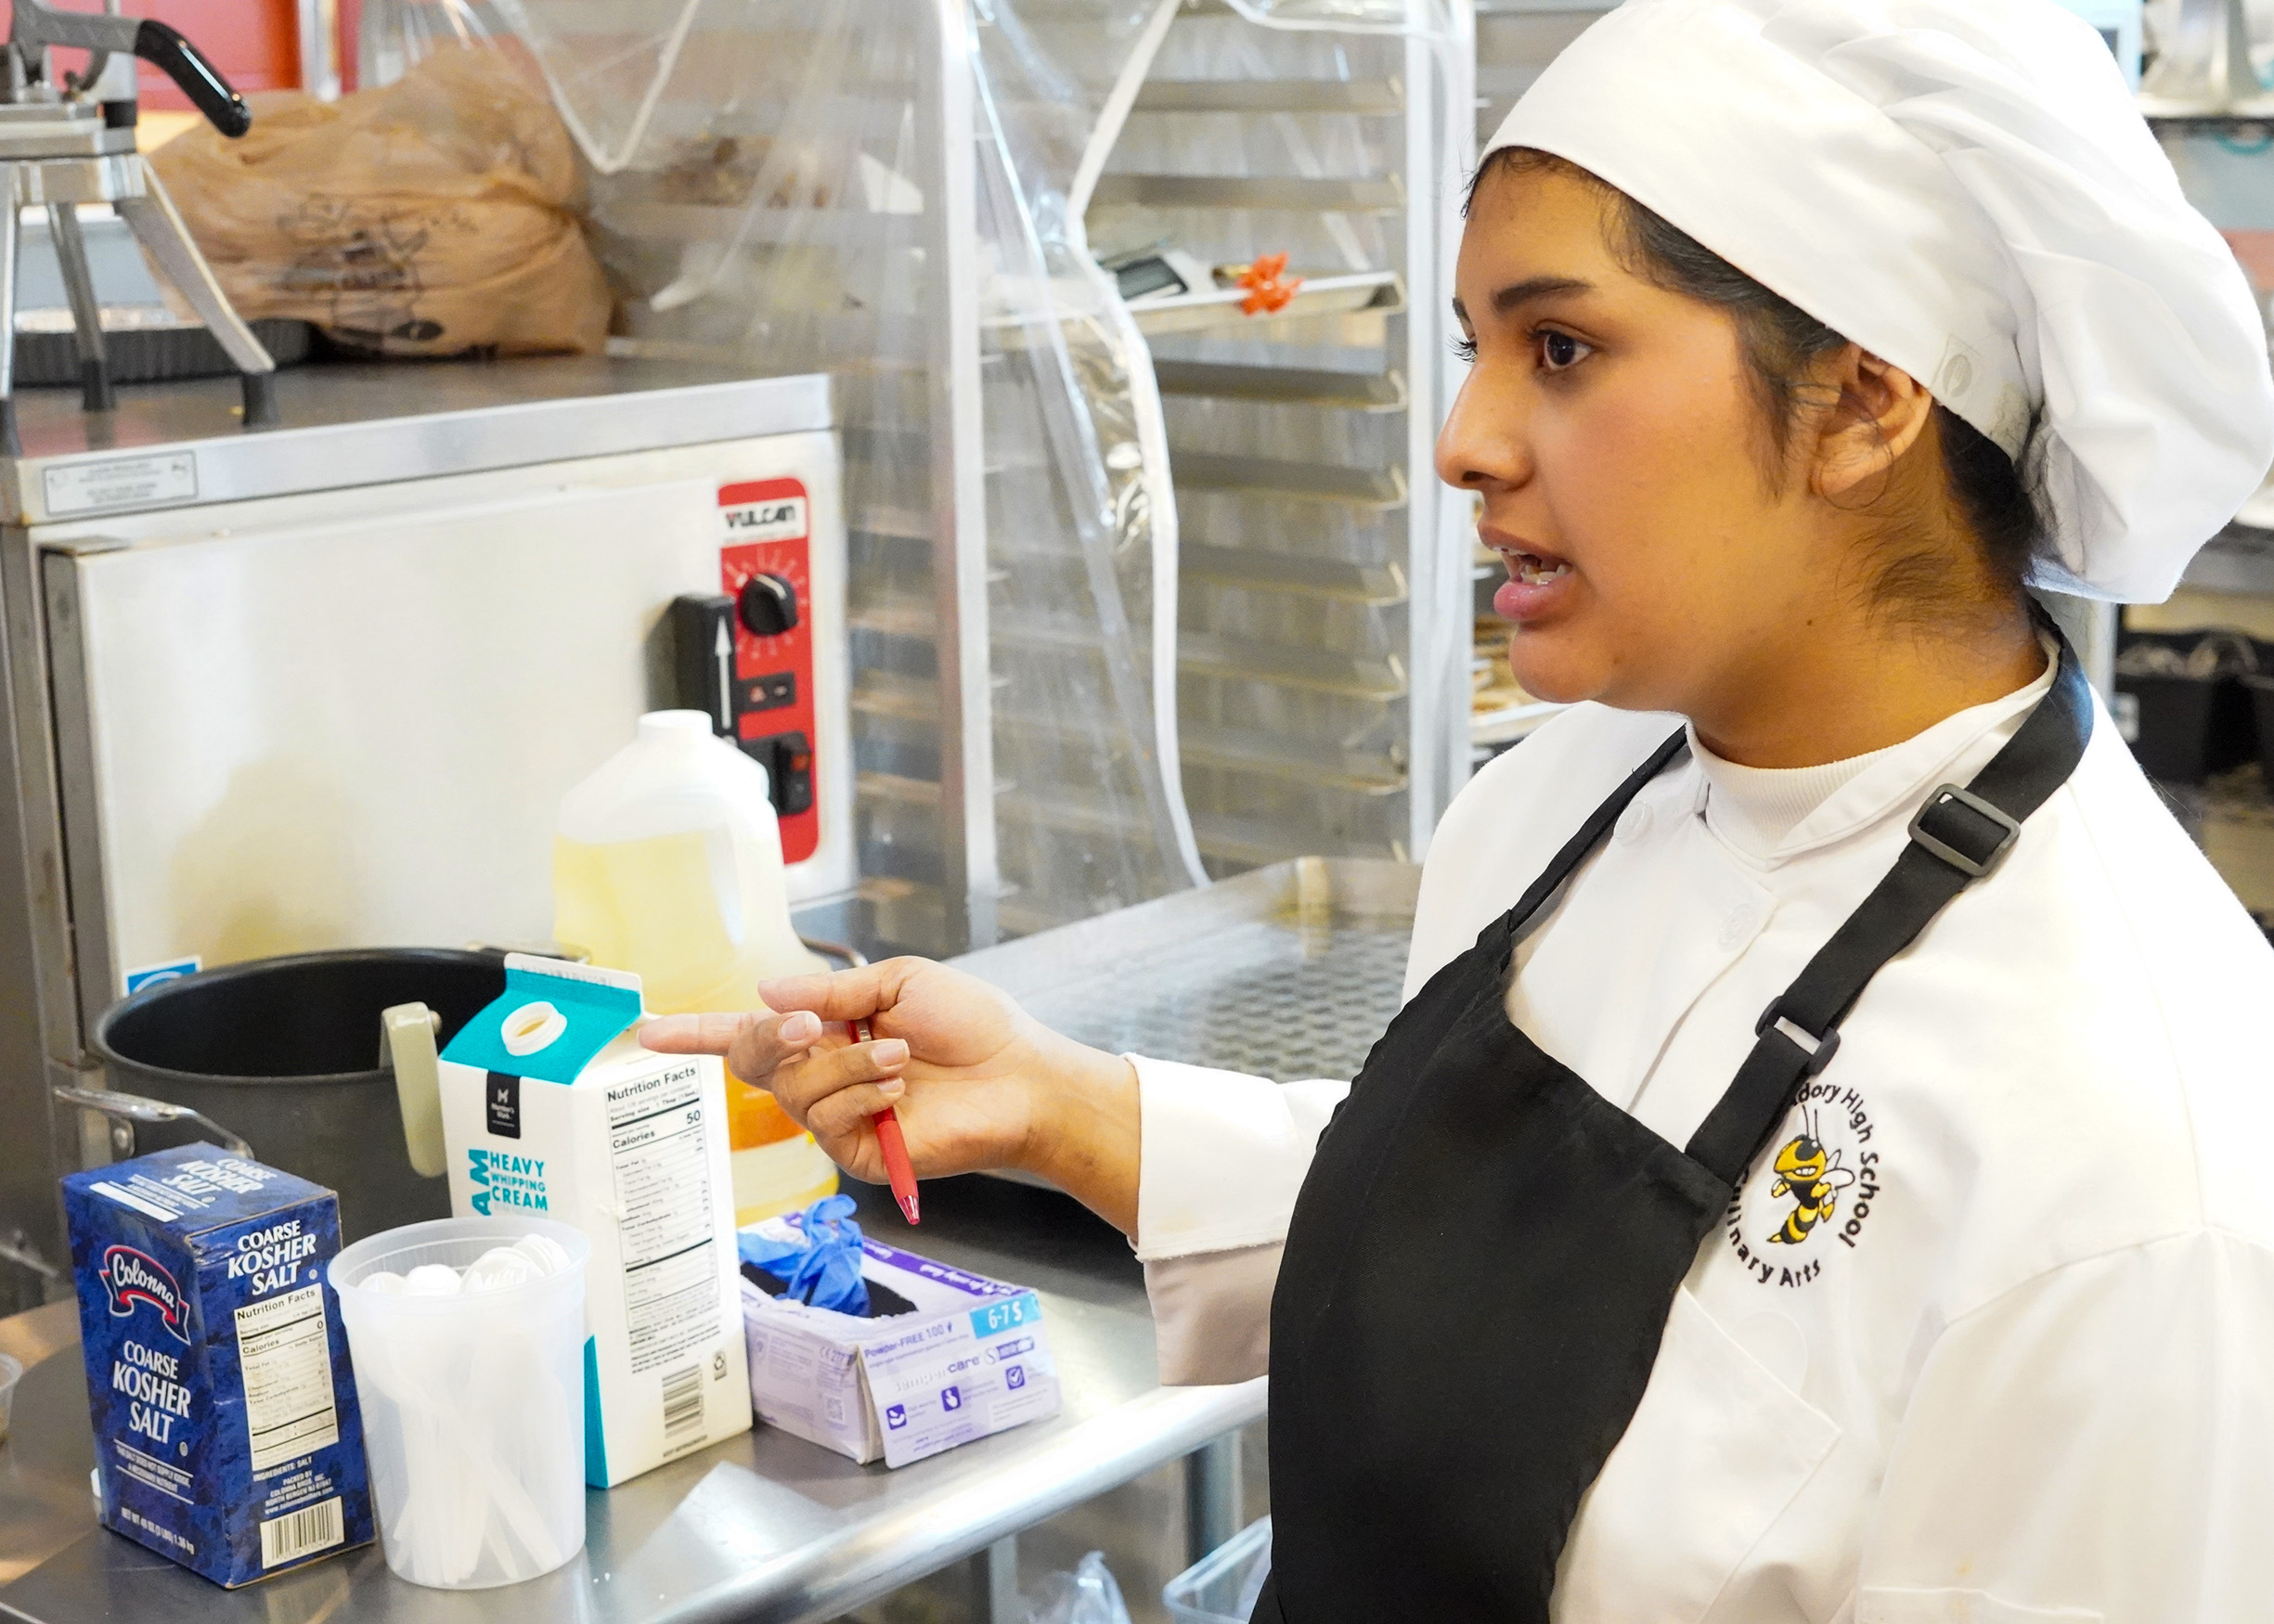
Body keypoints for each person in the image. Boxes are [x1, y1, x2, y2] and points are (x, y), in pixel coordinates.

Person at [642, 1, 2274, 1617]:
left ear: (1862, 397)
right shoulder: (1574, 790)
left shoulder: (2134, 1159)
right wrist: (1059, 1112)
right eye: (1470, 347)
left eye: (1559, 348)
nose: (1461, 441)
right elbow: (1499, 1251)